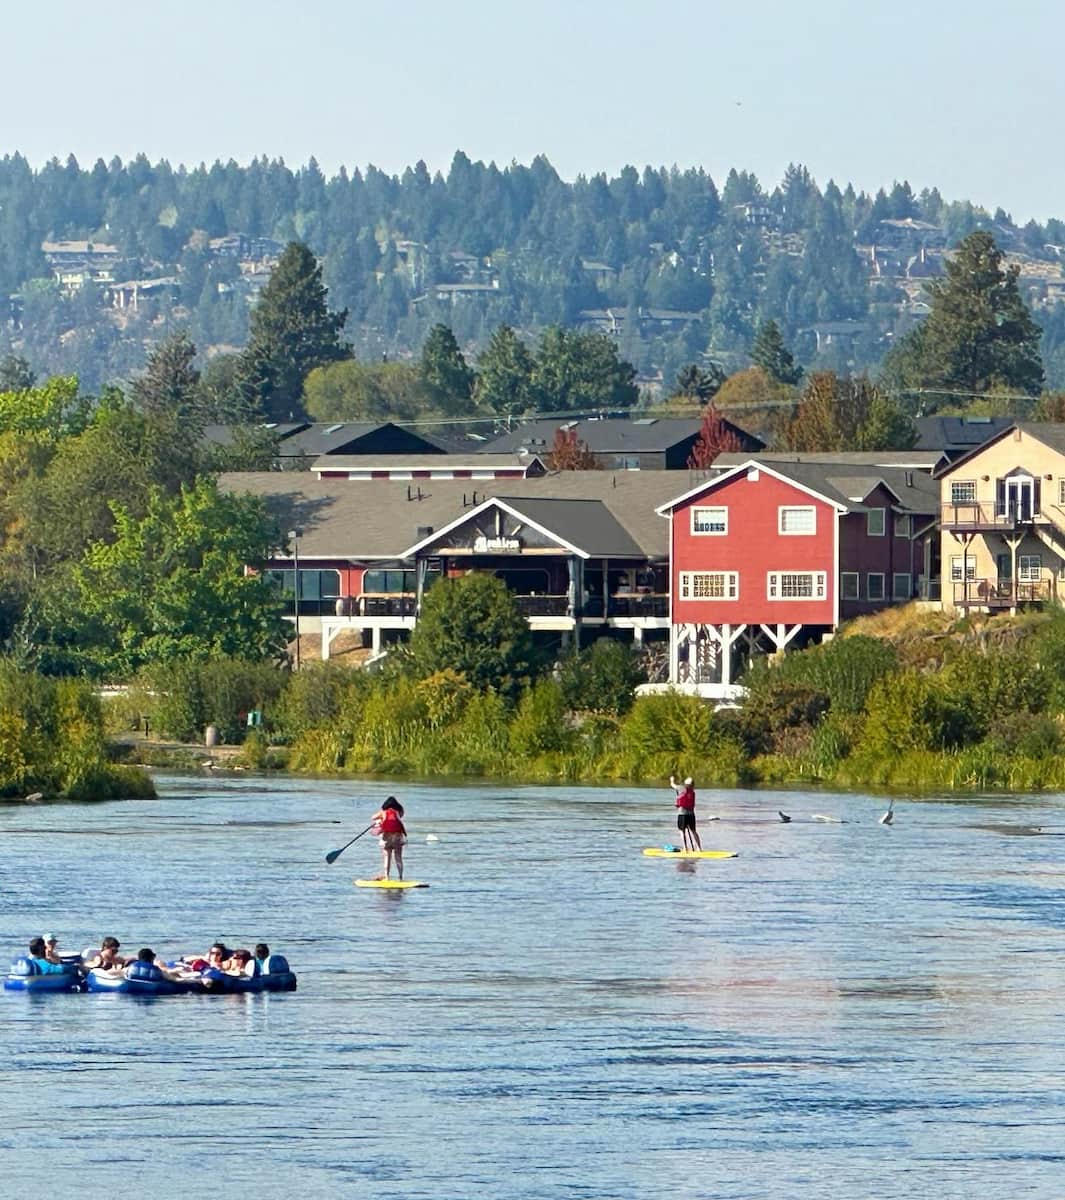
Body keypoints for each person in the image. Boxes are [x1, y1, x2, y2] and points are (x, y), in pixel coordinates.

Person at [371, 796, 406, 880]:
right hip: (398, 837)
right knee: (398, 857)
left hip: (386, 837)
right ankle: (400, 877)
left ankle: (387, 877)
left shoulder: (383, 812)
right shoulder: (399, 811)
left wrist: (379, 821)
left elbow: (373, 817)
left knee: (387, 857)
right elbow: (400, 818)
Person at [669, 774, 702, 851]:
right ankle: (699, 848)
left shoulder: (681, 788)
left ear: (685, 784)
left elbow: (673, 785)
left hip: (682, 814)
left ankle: (685, 848)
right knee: (693, 831)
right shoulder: (692, 791)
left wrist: (672, 780)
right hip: (691, 815)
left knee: (682, 831)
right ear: (692, 784)